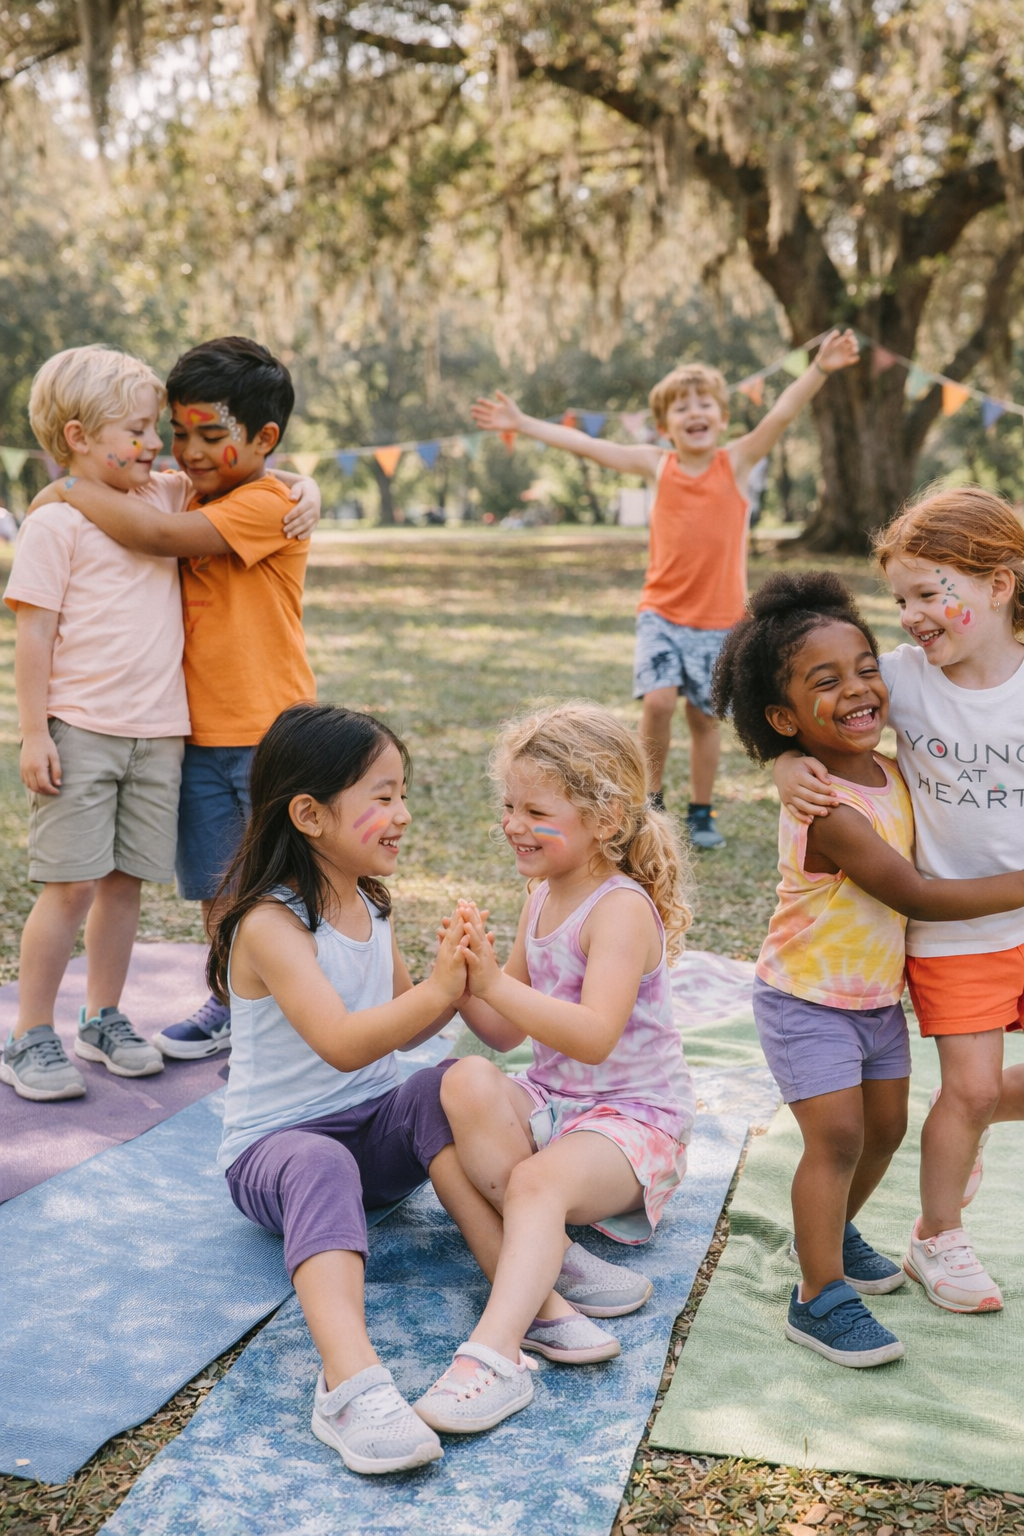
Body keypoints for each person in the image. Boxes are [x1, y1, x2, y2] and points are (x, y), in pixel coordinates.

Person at [209, 703, 633, 1474]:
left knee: (441, 1082)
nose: (401, 815)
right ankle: (351, 1384)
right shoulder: (271, 925)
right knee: (319, 1161)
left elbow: (405, 1029)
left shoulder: (369, 899)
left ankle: (534, 1286)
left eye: (403, 793)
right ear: (308, 814)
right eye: (381, 796)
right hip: (277, 1155)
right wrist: (439, 992)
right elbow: (342, 1045)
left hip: (373, 1131)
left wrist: (464, 975)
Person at [717, 570, 1024, 1364]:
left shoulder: (887, 769)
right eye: (828, 682)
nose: (858, 689)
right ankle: (817, 1296)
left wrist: (784, 757)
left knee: (885, 1129)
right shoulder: (831, 811)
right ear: (784, 717)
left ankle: (829, 1236)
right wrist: (783, 762)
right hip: (805, 1000)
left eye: (864, 670)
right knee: (839, 1137)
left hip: (875, 1000)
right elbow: (917, 894)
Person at [35, 338, 320, 1063]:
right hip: (189, 734)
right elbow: (102, 499)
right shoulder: (186, 486)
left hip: (269, 731)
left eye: (208, 436)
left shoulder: (261, 501)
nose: (184, 451)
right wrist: (61, 489)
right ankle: (231, 999)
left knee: (280, 882)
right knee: (217, 884)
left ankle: (293, 1015)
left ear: (262, 440)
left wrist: (66, 487)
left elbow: (159, 534)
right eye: (177, 432)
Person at [413, 702, 695, 1435]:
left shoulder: (621, 909)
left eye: (534, 809)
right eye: (508, 804)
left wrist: (498, 984)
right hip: (556, 1103)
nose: (512, 822)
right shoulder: (540, 892)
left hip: (634, 1121)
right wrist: (463, 978)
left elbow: (597, 1036)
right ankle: (553, 1259)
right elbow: (502, 1029)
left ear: (605, 819)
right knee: (458, 1085)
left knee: (535, 1180)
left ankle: (497, 1354)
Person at [470, 331, 860, 848]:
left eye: (705, 404)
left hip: (721, 621)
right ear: (664, 425)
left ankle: (701, 812)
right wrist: (523, 424)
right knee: (656, 703)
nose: (694, 413)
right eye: (681, 407)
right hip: (661, 613)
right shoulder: (657, 465)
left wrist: (821, 369)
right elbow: (589, 444)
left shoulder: (736, 462)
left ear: (722, 418)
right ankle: (651, 803)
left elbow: (782, 414)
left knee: (703, 718)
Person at [0, 347, 187, 1099]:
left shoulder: (166, 498)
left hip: (160, 731)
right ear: (77, 436)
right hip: (79, 728)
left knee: (125, 883)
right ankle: (29, 1035)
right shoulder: (55, 527)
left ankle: (103, 1016)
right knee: (69, 886)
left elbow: (256, 487)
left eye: (155, 428)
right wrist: (35, 731)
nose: (154, 444)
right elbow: (34, 636)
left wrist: (301, 488)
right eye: (137, 430)